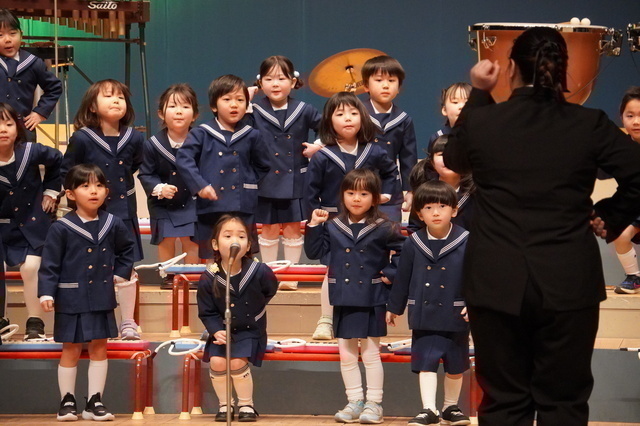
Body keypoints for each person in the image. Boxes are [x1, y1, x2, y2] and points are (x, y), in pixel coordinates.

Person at [443, 27, 640, 425]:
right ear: (564, 70)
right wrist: (611, 214)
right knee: (563, 402)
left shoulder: (484, 121)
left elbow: (455, 160)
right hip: (568, 279)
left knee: (503, 402)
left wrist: (480, 92)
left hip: (496, 278)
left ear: (511, 68)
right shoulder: (589, 123)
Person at [305, 168, 405, 424]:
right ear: (342, 195)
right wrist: (314, 225)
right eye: (350, 193)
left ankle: (374, 403)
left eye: (363, 193)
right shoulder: (332, 225)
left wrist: (389, 273)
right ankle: (354, 401)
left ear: (375, 197)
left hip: (372, 297)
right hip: (343, 297)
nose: (356, 199)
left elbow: (403, 254)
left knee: (371, 353)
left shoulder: (385, 226)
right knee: (347, 354)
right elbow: (315, 252)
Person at [39, 164, 135, 422]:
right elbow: (50, 264)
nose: (94, 191)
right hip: (70, 298)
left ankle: (95, 401)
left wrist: (120, 273)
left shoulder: (113, 223)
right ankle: (67, 400)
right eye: (85, 186)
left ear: (107, 191)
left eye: (99, 186)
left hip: (102, 297)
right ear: (70, 194)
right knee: (70, 348)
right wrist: (46, 293)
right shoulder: (61, 227)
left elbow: (127, 251)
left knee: (99, 348)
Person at [304, 91, 400, 340]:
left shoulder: (374, 151)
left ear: (363, 118)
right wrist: (315, 219)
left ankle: (368, 317)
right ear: (329, 121)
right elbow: (310, 192)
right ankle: (326, 319)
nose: (348, 118)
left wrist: (385, 195)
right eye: (340, 114)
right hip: (335, 223)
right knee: (332, 271)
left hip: (366, 222)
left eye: (353, 113)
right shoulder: (323, 156)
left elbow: (391, 173)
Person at [61, 79, 144, 340]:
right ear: (92, 107)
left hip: (124, 213)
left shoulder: (134, 137)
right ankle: (92, 322)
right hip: (91, 217)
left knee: (126, 267)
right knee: (93, 267)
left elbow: (134, 166)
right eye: (108, 96)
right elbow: (68, 171)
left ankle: (128, 322)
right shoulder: (82, 138)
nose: (116, 100)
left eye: (121, 96)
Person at [387, 180, 471, 426]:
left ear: (454, 210)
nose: (436, 212)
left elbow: (477, 277)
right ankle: (429, 409)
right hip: (424, 313)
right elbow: (402, 278)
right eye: (428, 207)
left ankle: (450, 407)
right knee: (426, 362)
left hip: (456, 312)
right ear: (419, 213)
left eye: (442, 206)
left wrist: (473, 303)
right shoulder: (413, 242)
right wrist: (394, 307)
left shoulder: (467, 240)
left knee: (456, 364)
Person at [176, 75, 270, 260]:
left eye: (240, 100)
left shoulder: (252, 135)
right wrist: (200, 186)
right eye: (227, 99)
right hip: (211, 205)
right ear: (214, 106)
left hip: (242, 204)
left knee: (243, 252)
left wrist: (248, 181)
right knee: (212, 254)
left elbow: (263, 165)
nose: (234, 105)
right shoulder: (201, 133)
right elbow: (184, 160)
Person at [197, 214, 278, 422]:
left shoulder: (259, 271)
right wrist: (216, 330)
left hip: (250, 330)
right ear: (215, 244)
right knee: (217, 361)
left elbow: (270, 290)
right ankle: (225, 404)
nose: (235, 241)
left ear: (249, 245)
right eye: (228, 236)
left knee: (236, 362)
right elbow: (207, 311)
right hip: (223, 331)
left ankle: (246, 404)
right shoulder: (209, 277)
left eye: (241, 237)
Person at [250, 55, 321, 290]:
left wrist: (317, 146)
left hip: (295, 179)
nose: (275, 84)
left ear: (293, 81)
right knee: (268, 227)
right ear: (260, 83)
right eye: (269, 78)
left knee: (292, 227)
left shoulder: (304, 109)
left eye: (281, 78)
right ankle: (268, 277)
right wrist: (246, 101)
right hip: (265, 179)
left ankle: (291, 277)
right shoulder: (254, 110)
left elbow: (327, 128)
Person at [0, 102, 61, 340]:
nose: (3, 129)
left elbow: (59, 160)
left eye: (8, 124)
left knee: (31, 267)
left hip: (32, 226)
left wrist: (51, 192)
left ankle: (35, 323)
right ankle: (1, 321)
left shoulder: (31, 151)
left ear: (18, 128)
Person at [138, 83, 200, 264]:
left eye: (185, 106)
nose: (179, 111)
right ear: (161, 113)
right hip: (163, 203)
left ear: (195, 115)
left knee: (192, 241)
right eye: (172, 106)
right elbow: (146, 174)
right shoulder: (152, 144)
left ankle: (192, 275)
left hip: (193, 201)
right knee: (166, 239)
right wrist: (159, 188)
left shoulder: (202, 141)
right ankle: (167, 275)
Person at [361, 55, 417, 221]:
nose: (385, 85)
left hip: (391, 187)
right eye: (379, 80)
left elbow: (408, 158)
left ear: (399, 87)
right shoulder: (357, 114)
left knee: (390, 231)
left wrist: (411, 190)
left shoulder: (404, 119)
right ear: (366, 85)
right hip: (359, 186)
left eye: (392, 81)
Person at [0, 9, 62, 142]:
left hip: (23, 129)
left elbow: (54, 87)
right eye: (0, 35)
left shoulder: (33, 62)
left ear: (21, 35)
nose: (8, 40)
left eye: (12, 33)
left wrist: (40, 112)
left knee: (27, 154)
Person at [407, 135, 475, 234]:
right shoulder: (424, 189)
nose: (448, 159)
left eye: (455, 153)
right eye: (441, 154)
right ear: (432, 162)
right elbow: (415, 227)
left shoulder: (477, 190)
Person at [612, 86, 640, 294]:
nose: (636, 121)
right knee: (620, 235)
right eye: (630, 116)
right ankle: (634, 278)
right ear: (621, 117)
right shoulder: (619, 147)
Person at [427, 82, 471, 156]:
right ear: (444, 110)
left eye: (467, 103)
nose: (462, 106)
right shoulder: (437, 138)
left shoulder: (483, 136)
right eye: (455, 102)